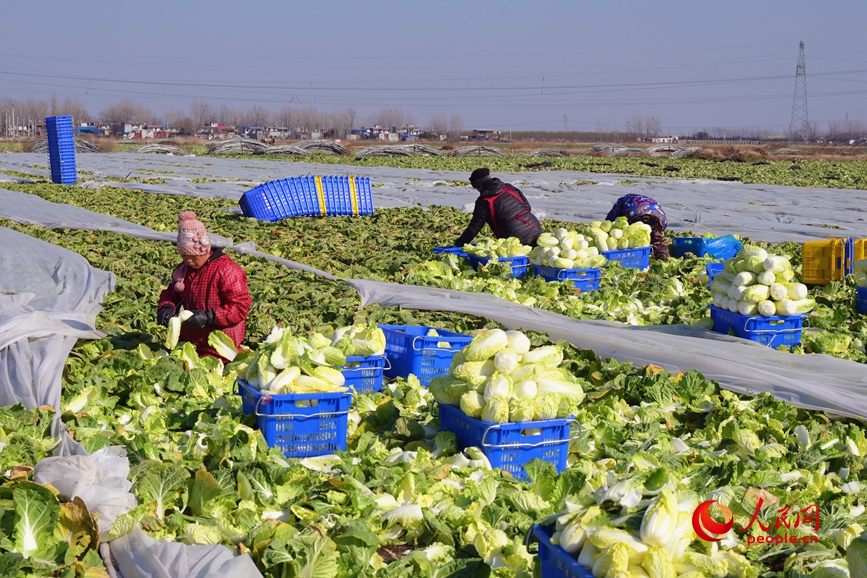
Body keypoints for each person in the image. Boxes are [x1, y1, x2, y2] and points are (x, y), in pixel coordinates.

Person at [157, 212, 252, 360]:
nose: (188, 261)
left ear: (204, 250)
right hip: (190, 343)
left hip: (220, 346)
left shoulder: (227, 270)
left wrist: (209, 316)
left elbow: (240, 307)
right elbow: (171, 294)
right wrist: (166, 306)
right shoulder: (184, 270)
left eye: (192, 256)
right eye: (184, 256)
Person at [454, 168, 542, 247]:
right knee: (535, 260)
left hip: (514, 236)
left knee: (519, 262)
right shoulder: (509, 187)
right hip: (535, 227)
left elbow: (474, 228)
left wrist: (459, 244)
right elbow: (527, 207)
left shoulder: (484, 201)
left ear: (479, 185)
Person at [606, 194, 670, 260]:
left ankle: (632, 259)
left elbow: (610, 222)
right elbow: (662, 226)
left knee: (630, 237)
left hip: (635, 212)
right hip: (658, 214)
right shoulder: (649, 200)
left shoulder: (621, 202)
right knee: (658, 239)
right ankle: (664, 259)